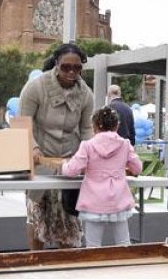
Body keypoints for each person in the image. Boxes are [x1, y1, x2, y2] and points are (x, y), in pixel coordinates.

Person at [18, 43, 94, 249]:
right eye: (66, 67)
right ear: (56, 64)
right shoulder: (35, 87)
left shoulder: (86, 94)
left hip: (69, 164)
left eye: (77, 68)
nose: (71, 72)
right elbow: (23, 123)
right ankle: (36, 261)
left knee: (69, 219)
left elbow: (87, 129)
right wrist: (33, 148)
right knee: (37, 215)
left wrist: (88, 155)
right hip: (40, 160)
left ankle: (65, 265)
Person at [60, 106, 142, 247]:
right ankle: (126, 268)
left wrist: (63, 164)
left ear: (95, 126)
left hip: (94, 201)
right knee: (124, 244)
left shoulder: (87, 146)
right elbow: (137, 168)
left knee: (93, 246)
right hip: (118, 200)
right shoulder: (125, 144)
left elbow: (71, 171)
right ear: (117, 126)